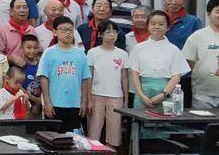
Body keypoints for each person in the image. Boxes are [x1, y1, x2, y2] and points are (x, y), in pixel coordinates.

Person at [38, 16, 91, 132]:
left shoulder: (80, 54)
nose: (67, 33)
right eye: (63, 30)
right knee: (52, 136)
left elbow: (85, 79)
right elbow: (43, 78)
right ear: (54, 32)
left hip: (74, 103)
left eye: (70, 30)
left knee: (72, 137)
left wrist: (83, 102)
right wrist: (47, 102)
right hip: (54, 103)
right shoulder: (49, 53)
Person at [128, 11, 190, 108]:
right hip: (143, 93)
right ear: (148, 26)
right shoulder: (138, 48)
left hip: (167, 92)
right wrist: (141, 95)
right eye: (153, 24)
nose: (157, 27)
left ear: (168, 27)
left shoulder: (174, 50)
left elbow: (176, 76)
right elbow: (135, 73)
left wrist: (163, 94)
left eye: (161, 24)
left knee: (165, 117)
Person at [86, 20, 128, 149]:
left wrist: (126, 99)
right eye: (108, 31)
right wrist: (88, 99)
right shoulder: (93, 53)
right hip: (96, 94)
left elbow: (124, 77)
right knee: (94, 130)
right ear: (100, 34)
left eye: (115, 31)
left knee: (114, 132)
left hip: (116, 95)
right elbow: (89, 77)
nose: (112, 34)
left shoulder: (123, 54)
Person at [0, 0, 37, 66]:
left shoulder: (32, 30)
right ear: (11, 11)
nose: (22, 10)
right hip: (9, 69)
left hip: (30, 69)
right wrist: (11, 58)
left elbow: (38, 51)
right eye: (18, 7)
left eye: (25, 7)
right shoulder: (2, 30)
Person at [20, 35, 42, 116]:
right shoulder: (20, 65)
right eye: (28, 48)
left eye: (35, 48)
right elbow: (17, 85)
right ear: (21, 47)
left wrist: (38, 102)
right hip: (23, 102)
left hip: (39, 104)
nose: (32, 51)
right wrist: (32, 98)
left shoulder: (41, 65)